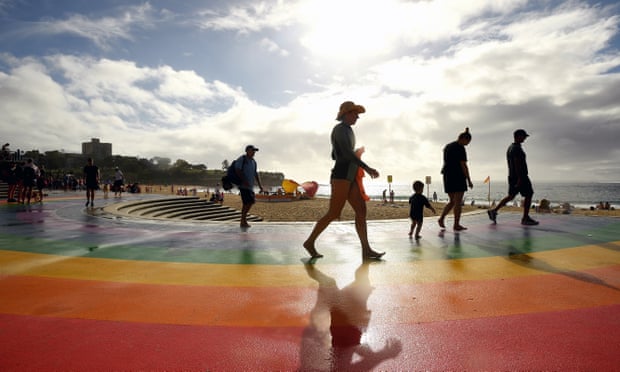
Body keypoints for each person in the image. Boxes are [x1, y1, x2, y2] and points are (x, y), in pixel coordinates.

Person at [303, 101, 384, 260]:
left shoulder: (348, 131)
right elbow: (345, 154)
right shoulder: (340, 129)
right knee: (333, 213)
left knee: (361, 211)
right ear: (346, 114)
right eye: (355, 114)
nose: (357, 117)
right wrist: (366, 167)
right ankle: (310, 242)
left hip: (350, 177)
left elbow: (336, 154)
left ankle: (366, 250)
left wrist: (356, 153)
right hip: (341, 177)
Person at [487, 129, 539, 225]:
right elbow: (517, 164)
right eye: (523, 136)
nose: (525, 138)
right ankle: (525, 218)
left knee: (511, 196)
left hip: (512, 176)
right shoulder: (516, 149)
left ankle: (494, 210)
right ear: (518, 136)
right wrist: (520, 178)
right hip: (521, 176)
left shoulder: (511, 147)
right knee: (529, 194)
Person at [438, 127, 474, 231]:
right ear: (464, 139)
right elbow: (463, 165)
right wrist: (469, 180)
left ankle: (441, 218)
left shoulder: (447, 146)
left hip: (447, 175)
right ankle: (456, 224)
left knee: (452, 201)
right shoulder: (460, 148)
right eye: (468, 141)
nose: (468, 144)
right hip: (457, 176)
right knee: (457, 202)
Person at [235, 145, 264, 228]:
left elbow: (255, 174)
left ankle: (243, 220)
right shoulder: (242, 159)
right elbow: (237, 170)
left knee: (249, 203)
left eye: (254, 151)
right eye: (252, 150)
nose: (254, 152)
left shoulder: (253, 161)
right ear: (247, 151)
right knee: (248, 202)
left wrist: (260, 185)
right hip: (243, 186)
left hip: (250, 186)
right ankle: (243, 221)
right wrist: (244, 180)